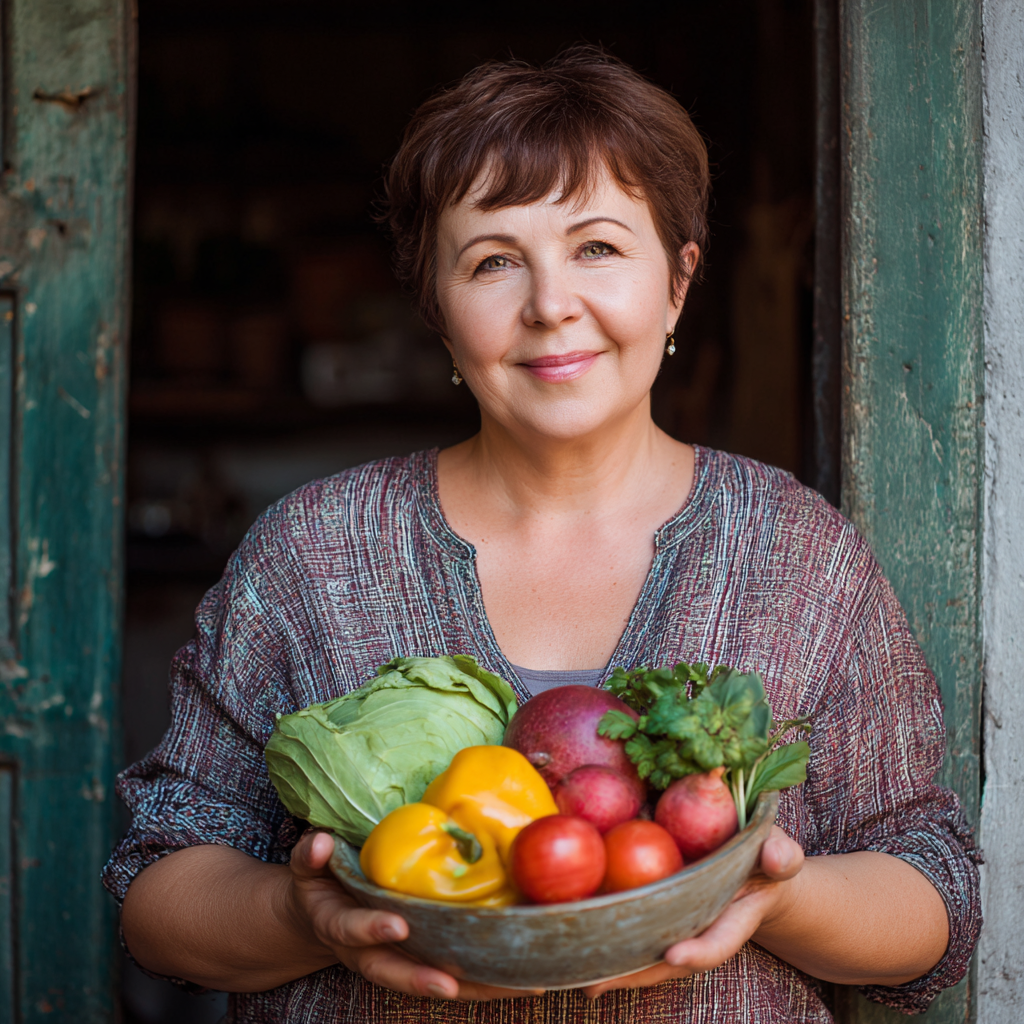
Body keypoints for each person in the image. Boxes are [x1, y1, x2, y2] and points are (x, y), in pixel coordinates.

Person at [105, 48, 981, 1024]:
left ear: (679, 280)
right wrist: (304, 917)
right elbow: (156, 895)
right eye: (493, 261)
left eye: (597, 247)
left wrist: (770, 894)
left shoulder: (798, 553)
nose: (550, 304)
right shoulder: (311, 553)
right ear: (437, 311)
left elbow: (935, 898)